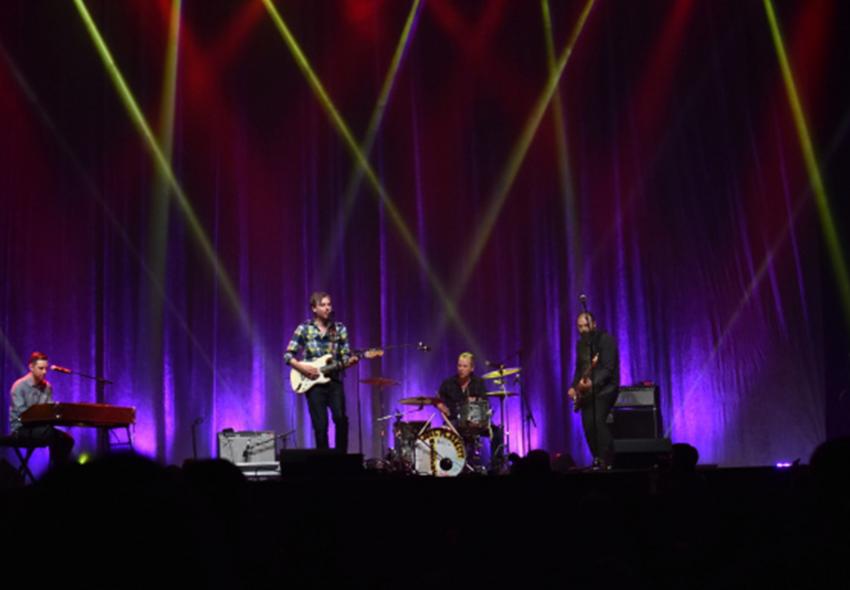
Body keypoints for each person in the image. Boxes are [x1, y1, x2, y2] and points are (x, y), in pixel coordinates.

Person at [284, 292, 358, 452]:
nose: (327, 308)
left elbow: (345, 355)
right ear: (314, 308)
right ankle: (324, 463)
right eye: (323, 305)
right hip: (313, 384)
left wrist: (349, 362)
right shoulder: (304, 328)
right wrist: (303, 368)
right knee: (321, 425)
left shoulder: (339, 329)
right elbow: (288, 355)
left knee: (340, 418)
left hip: (334, 381)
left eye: (329, 304)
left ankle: (341, 458)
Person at [567, 312, 619, 469]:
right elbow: (579, 368)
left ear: (594, 324)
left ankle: (610, 460)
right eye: (580, 326)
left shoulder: (605, 340)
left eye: (586, 325)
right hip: (588, 393)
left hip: (606, 389)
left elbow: (608, 369)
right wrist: (573, 386)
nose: (583, 329)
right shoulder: (580, 344)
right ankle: (597, 459)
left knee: (597, 421)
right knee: (588, 425)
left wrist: (592, 382)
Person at [437, 352, 503, 471]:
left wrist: (478, 405)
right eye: (459, 365)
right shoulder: (448, 383)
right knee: (445, 432)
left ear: (472, 368)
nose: (461, 369)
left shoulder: (479, 383)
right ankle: (450, 467)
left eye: (465, 366)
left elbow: (485, 404)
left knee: (497, 432)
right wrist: (440, 405)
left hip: (476, 422)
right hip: (455, 422)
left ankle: (496, 466)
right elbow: (437, 399)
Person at [9, 351, 74, 466]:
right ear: (31, 367)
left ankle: (56, 470)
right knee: (52, 435)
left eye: (46, 369)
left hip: (41, 429)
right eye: (41, 368)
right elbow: (22, 415)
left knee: (67, 440)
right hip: (21, 429)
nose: (44, 372)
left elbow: (48, 411)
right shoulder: (19, 386)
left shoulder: (47, 386)